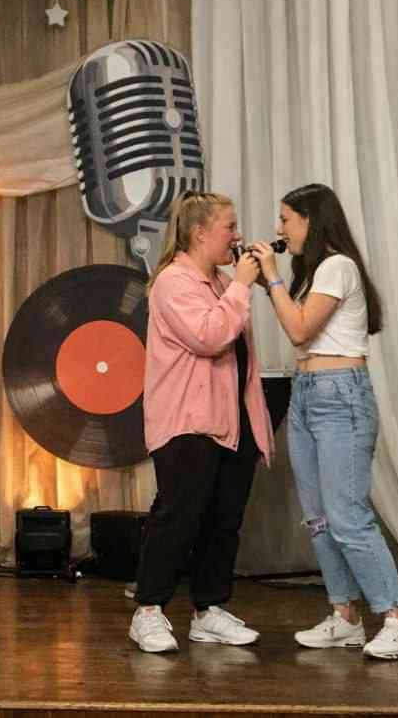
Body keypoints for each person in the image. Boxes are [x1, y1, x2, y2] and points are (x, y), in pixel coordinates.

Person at [251, 183, 398, 660]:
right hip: (307, 395)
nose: (280, 228)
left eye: (286, 219)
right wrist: (266, 280)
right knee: (320, 518)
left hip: (340, 396)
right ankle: (344, 616)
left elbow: (299, 329)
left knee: (347, 516)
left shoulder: (338, 265)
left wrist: (272, 277)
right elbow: (301, 325)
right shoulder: (313, 273)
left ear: (310, 219)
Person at [129, 192, 274, 653]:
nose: (237, 235)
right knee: (179, 516)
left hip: (232, 418)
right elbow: (209, 337)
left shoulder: (222, 282)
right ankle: (148, 611)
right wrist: (242, 287)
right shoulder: (173, 282)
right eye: (229, 227)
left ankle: (208, 610)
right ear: (199, 233)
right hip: (187, 421)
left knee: (223, 519)